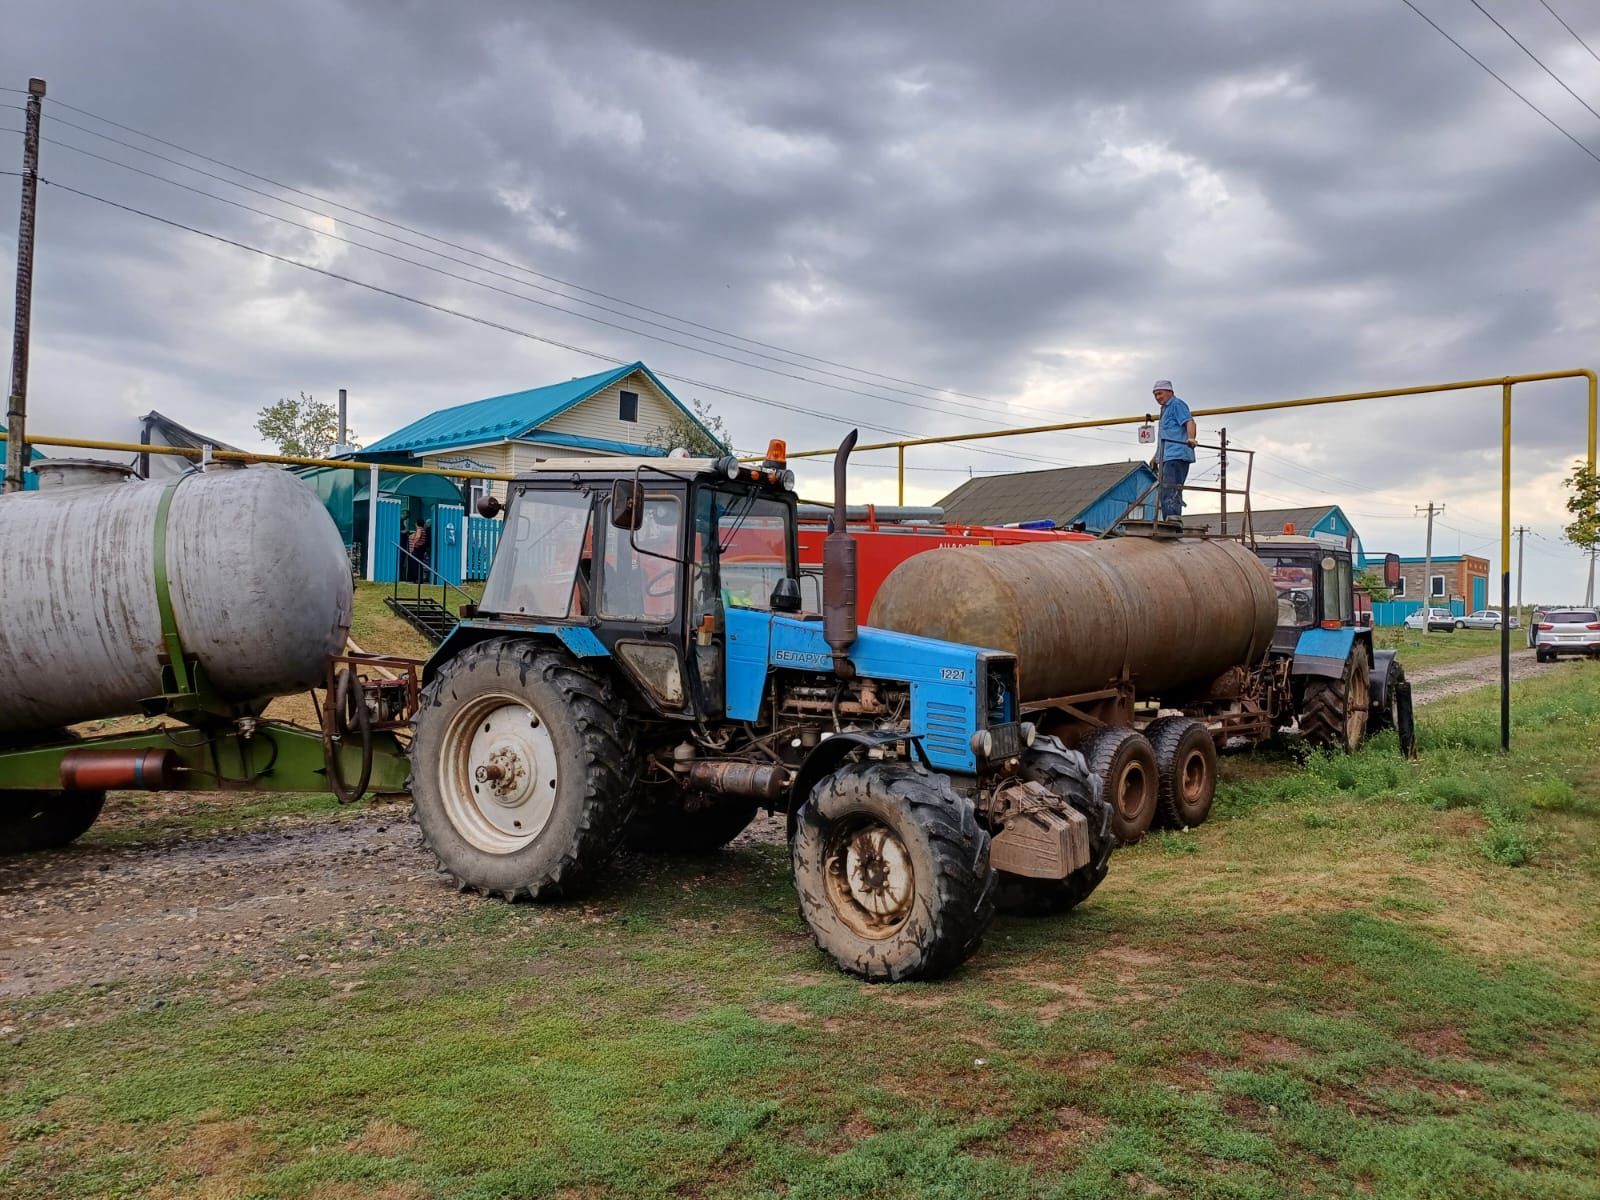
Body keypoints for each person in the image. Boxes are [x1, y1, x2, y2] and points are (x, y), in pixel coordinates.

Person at [1150, 379, 1196, 520]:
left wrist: (1191, 438)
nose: (1158, 397)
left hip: (1177, 454)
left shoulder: (1177, 404)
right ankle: (1169, 519)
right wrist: (1156, 457)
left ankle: (1172, 520)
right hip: (1167, 455)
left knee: (1171, 489)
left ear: (1170, 392)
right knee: (1167, 490)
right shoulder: (1164, 410)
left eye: (1160, 393)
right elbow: (1165, 436)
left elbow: (1190, 421)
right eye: (1155, 395)